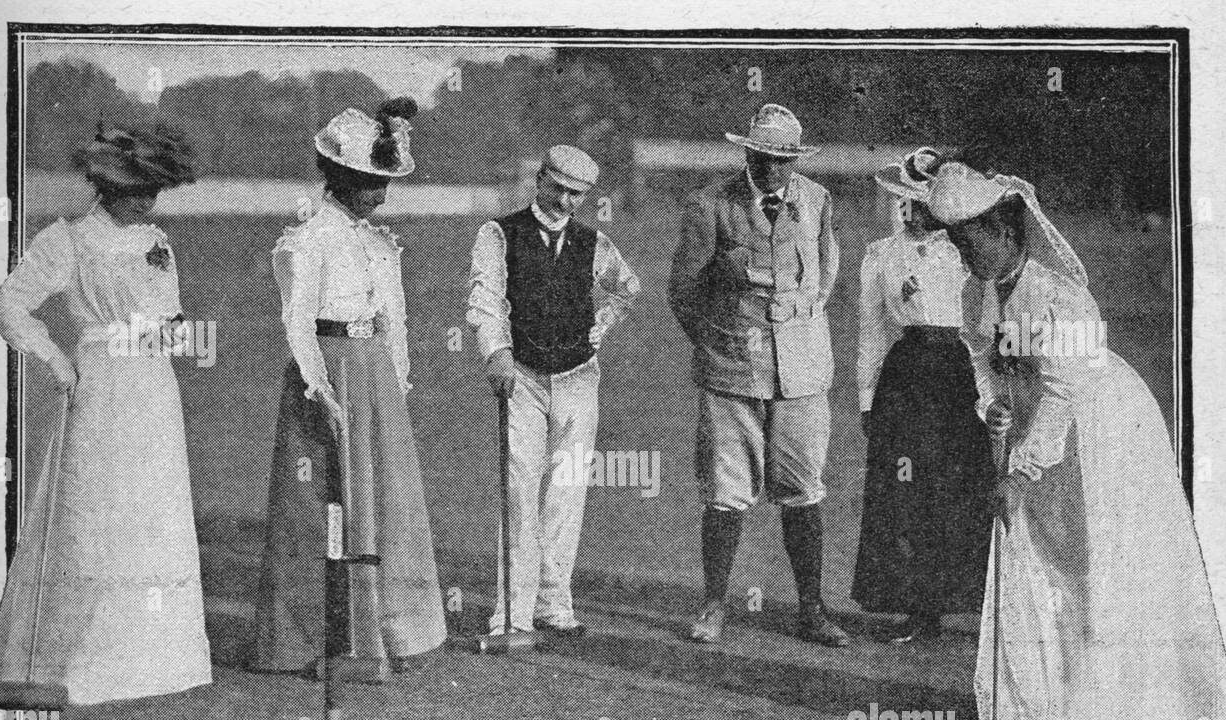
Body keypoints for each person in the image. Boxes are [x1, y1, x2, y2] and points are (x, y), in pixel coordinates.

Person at [926, 161, 1226, 720]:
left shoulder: (1058, 297)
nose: (962, 255)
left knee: (1097, 555)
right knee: (1034, 556)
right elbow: (984, 365)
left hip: (1102, 427)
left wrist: (1019, 471)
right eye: (955, 243)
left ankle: (1118, 701)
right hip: (1038, 428)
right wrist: (994, 412)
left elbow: (1066, 389)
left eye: (968, 241)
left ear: (1004, 232)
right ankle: (1031, 706)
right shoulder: (976, 293)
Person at [0, 123, 211, 705]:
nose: (147, 202)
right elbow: (7, 305)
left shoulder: (157, 239)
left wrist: (178, 334)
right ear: (105, 187)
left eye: (154, 191)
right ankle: (81, 657)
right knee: (95, 511)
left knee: (150, 510)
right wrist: (56, 359)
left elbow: (170, 316)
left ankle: (154, 657)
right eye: (137, 191)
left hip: (153, 387)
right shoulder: (69, 240)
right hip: (102, 383)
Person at [252, 98, 447, 673]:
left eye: (384, 182)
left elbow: (395, 319)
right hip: (329, 373)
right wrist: (322, 390)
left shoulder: (378, 242)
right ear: (339, 178)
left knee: (383, 500)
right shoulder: (305, 240)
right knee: (323, 506)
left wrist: (396, 380)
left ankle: (386, 632)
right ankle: (315, 640)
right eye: (370, 182)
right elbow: (297, 322)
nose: (381, 194)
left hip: (374, 376)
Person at [668, 104, 847, 646]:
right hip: (731, 371)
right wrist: (718, 342)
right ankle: (713, 606)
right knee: (725, 492)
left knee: (804, 490)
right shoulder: (709, 205)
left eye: (785, 159)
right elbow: (682, 290)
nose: (774, 168)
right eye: (766, 157)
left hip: (802, 371)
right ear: (748, 152)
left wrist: (800, 327)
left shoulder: (817, 201)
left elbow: (825, 274)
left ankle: (812, 610)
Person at [467, 145, 639, 637]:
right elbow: (485, 295)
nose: (565, 201)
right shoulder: (499, 233)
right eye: (558, 188)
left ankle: (553, 604)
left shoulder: (593, 243)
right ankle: (511, 613)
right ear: (540, 180)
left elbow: (628, 287)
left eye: (576, 195)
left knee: (566, 491)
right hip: (521, 376)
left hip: (579, 378)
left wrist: (600, 326)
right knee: (519, 490)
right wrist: (495, 351)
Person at [851, 148, 994, 642]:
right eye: (903, 203)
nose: (909, 213)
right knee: (905, 490)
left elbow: (985, 325)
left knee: (958, 488)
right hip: (906, 374)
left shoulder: (967, 256)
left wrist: (991, 392)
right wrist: (867, 401)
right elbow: (871, 333)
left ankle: (978, 605)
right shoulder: (879, 256)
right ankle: (919, 608)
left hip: (957, 375)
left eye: (920, 203)